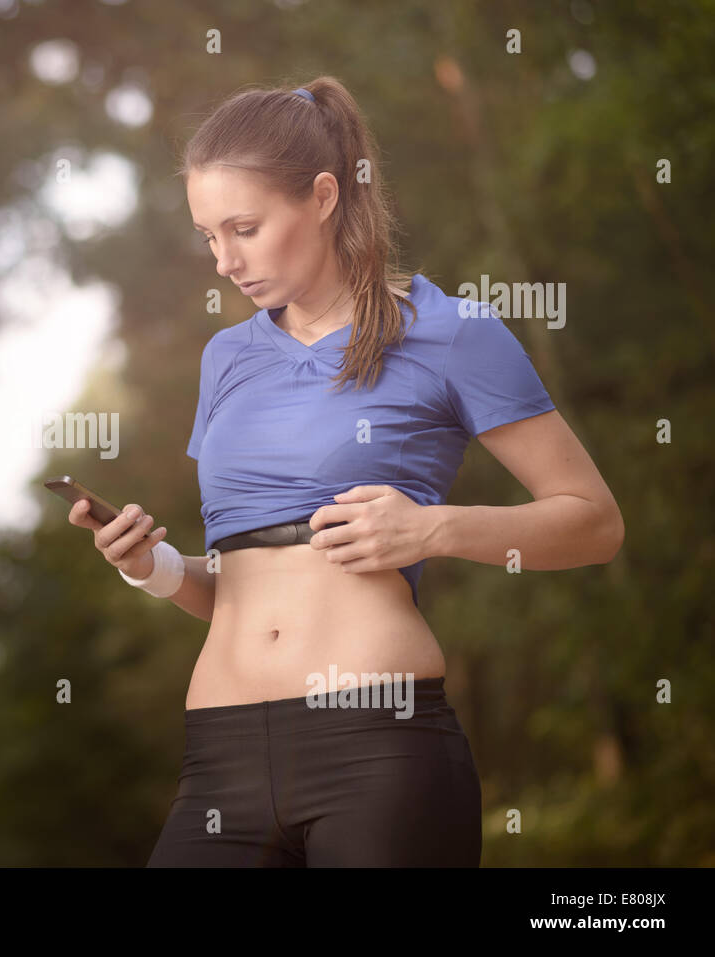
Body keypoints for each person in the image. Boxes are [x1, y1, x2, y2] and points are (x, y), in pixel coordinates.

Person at [67, 77, 624, 867]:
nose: (225, 260)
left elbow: (595, 522)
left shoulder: (453, 332)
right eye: (208, 236)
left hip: (376, 747)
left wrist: (434, 526)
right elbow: (248, 580)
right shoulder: (225, 358)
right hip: (219, 756)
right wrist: (150, 568)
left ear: (324, 196)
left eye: (245, 228)